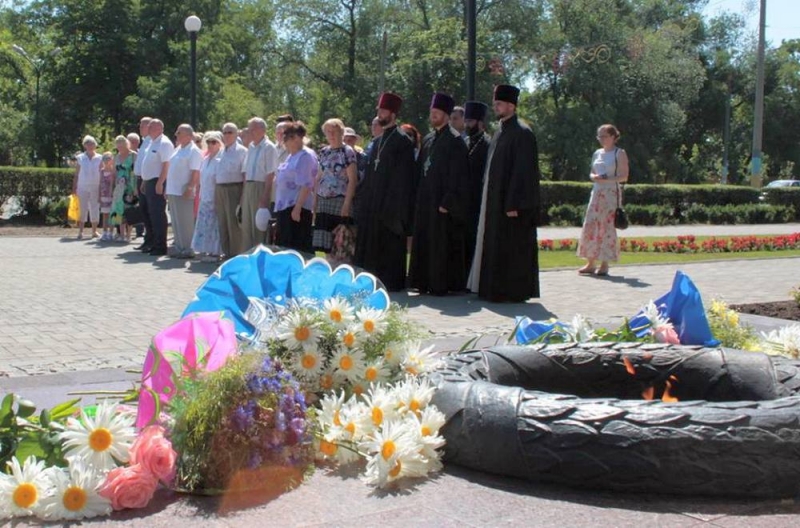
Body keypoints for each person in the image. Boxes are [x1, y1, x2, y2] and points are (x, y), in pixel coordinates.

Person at [467, 85, 541, 302]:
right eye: (495, 103)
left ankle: (512, 291)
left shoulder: (523, 133)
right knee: (495, 244)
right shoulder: (500, 131)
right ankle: (494, 289)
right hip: (494, 200)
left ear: (511, 105)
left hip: (511, 205)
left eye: (499, 103)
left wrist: (513, 203)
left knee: (512, 247)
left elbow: (524, 173)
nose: (496, 107)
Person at [409, 92, 470, 295]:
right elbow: (419, 169)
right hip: (425, 201)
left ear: (445, 114)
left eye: (437, 112)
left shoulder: (455, 141)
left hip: (442, 203)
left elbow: (460, 176)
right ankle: (423, 281)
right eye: (432, 112)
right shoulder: (427, 139)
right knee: (425, 241)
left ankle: (441, 284)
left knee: (441, 244)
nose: (433, 115)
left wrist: (448, 200)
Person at [354, 92, 416, 291]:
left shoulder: (403, 141)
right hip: (371, 204)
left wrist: (390, 206)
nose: (379, 114)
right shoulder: (378, 141)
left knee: (388, 246)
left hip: (390, 208)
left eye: (383, 111)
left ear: (392, 113)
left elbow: (403, 180)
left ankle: (390, 283)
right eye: (379, 111)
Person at [577, 124, 630, 276]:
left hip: (610, 192)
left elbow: (624, 176)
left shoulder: (619, 153)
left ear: (613, 137)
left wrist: (606, 179)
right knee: (591, 224)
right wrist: (595, 177)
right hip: (597, 191)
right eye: (599, 136)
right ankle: (590, 262)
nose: (601, 139)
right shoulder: (597, 153)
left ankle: (605, 263)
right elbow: (592, 173)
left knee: (606, 227)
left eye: (604, 136)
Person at [313, 118, 357, 254]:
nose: (331, 135)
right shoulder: (324, 152)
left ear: (341, 133)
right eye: (328, 132)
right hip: (323, 201)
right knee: (325, 244)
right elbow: (319, 176)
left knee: (339, 242)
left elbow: (353, 179)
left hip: (339, 201)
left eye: (334, 132)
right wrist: (314, 199)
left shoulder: (347, 151)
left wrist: (347, 204)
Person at [274, 122, 316, 253]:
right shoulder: (291, 156)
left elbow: (306, 184)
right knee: (284, 245)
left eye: (288, 138)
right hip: (284, 206)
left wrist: (297, 208)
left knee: (297, 245)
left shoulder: (305, 156)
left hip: (296, 208)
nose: (286, 142)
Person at [164, 124, 203, 258]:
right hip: (173, 190)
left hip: (184, 190)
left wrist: (190, 187)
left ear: (188, 135)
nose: (176, 134)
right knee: (176, 220)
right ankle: (179, 247)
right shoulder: (178, 149)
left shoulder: (194, 151)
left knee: (185, 221)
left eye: (179, 132)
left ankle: (188, 248)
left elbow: (195, 171)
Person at [241, 117, 278, 251]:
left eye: (253, 129)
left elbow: (270, 174)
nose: (250, 132)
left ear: (262, 130)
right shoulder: (250, 147)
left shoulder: (269, 147)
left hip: (260, 187)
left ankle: (259, 254)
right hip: (249, 187)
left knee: (259, 225)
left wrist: (265, 196)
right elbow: (245, 171)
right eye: (249, 129)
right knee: (247, 224)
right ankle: (247, 255)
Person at [140, 119, 174, 256]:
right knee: (151, 214)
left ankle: (161, 246)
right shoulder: (152, 142)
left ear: (159, 128)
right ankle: (154, 243)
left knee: (158, 214)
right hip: (149, 181)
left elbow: (166, 165)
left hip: (157, 181)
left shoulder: (164, 143)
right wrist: (144, 181)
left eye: (151, 126)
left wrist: (160, 182)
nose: (148, 128)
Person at [463, 101, 490, 271]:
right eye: (466, 121)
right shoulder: (465, 141)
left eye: (470, 122)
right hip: (464, 199)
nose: (467, 125)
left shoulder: (488, 143)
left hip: (478, 197)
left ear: (480, 123)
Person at [215, 122, 247, 258]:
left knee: (233, 224)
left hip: (234, 188)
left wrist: (242, 197)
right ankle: (226, 252)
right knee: (222, 223)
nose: (227, 135)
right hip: (220, 188)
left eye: (230, 132)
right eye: (225, 132)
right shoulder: (221, 151)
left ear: (236, 134)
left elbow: (245, 176)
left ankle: (235, 254)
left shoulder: (242, 151)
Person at [192, 131, 224, 262]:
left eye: (214, 142)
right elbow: (201, 179)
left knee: (213, 224)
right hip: (204, 196)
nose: (210, 144)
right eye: (208, 142)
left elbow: (218, 180)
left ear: (219, 143)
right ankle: (205, 249)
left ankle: (215, 252)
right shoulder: (205, 160)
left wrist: (217, 198)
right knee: (204, 224)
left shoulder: (220, 160)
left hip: (214, 196)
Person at [72, 135, 102, 240]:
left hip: (95, 186)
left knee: (95, 208)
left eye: (92, 143)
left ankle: (94, 231)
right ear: (84, 145)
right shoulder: (80, 157)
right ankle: (80, 231)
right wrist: (74, 187)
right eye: (88, 143)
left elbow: (102, 172)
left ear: (95, 145)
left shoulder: (100, 157)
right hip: (82, 186)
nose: (90, 145)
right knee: (82, 208)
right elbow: (76, 174)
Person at [110, 135, 137, 242]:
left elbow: (136, 172)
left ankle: (128, 235)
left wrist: (135, 188)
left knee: (129, 209)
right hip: (119, 187)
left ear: (126, 144)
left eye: (121, 145)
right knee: (118, 209)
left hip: (130, 185)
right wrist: (113, 187)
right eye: (118, 146)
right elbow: (114, 172)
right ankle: (121, 234)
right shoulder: (116, 156)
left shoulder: (134, 155)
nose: (119, 148)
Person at [133, 117, 152, 246]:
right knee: (144, 211)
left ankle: (151, 240)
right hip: (141, 179)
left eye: (142, 126)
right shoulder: (145, 141)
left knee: (150, 211)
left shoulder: (152, 142)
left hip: (147, 180)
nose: (140, 128)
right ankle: (147, 239)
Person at [98, 152, 116, 241]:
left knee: (112, 214)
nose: (106, 161)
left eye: (108, 159)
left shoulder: (114, 171)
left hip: (112, 195)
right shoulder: (101, 171)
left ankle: (111, 232)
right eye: (105, 159)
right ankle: (104, 232)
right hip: (103, 195)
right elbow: (99, 184)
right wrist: (99, 196)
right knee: (105, 214)